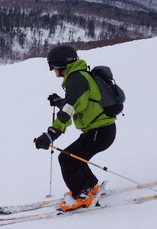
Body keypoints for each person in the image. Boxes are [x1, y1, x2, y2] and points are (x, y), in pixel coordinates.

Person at [33, 45, 117, 212]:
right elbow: (79, 101)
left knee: (67, 160)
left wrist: (51, 134)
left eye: (53, 67)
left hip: (99, 131)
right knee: (75, 157)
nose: (53, 71)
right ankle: (91, 187)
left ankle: (82, 197)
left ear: (60, 65)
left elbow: (69, 109)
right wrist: (59, 101)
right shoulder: (79, 76)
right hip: (101, 130)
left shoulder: (77, 79)